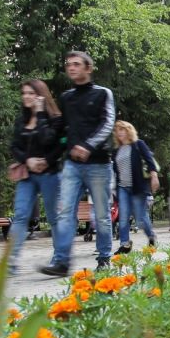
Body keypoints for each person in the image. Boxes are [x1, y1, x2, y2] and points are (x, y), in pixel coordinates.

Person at [41, 51, 115, 276]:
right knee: (65, 214)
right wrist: (47, 157)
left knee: (101, 216)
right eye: (68, 64)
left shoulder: (103, 94)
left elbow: (108, 123)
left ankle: (103, 258)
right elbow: (62, 130)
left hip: (99, 164)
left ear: (88, 68)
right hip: (71, 166)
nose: (71, 68)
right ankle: (61, 261)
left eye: (76, 64)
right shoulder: (67, 97)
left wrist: (88, 146)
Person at [5, 79, 64, 275]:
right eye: (24, 93)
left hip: (50, 174)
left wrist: (39, 114)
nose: (26, 97)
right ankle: (10, 262)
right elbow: (14, 146)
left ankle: (59, 259)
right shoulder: (21, 120)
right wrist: (27, 160)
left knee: (54, 218)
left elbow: (51, 142)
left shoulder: (55, 118)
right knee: (21, 216)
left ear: (41, 95)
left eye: (31, 93)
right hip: (27, 176)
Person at [111, 121, 159, 254]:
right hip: (122, 188)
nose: (119, 132)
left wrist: (154, 176)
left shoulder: (138, 144)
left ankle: (151, 236)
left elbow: (149, 161)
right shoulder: (116, 150)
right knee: (123, 216)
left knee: (141, 218)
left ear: (128, 131)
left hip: (137, 187)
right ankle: (125, 243)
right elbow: (115, 170)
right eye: (117, 130)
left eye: (122, 129)